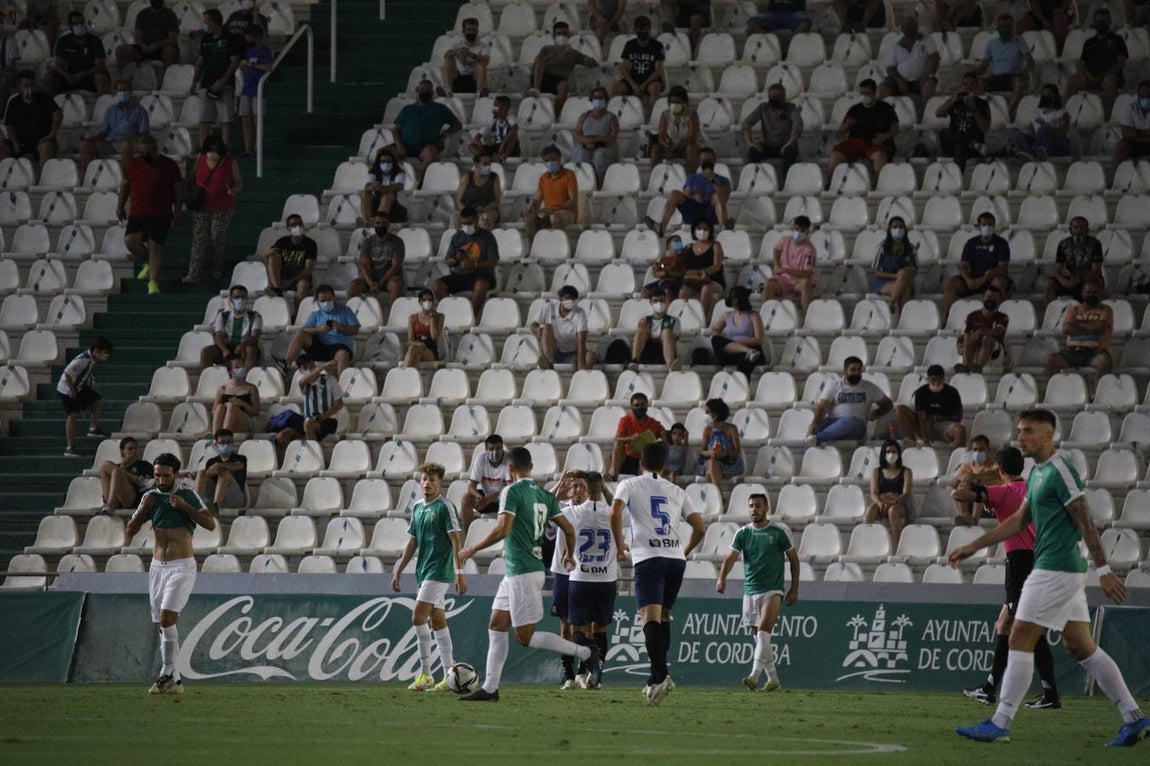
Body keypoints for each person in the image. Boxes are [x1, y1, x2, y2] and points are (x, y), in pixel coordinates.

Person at [952, 409, 1149, 747]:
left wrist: (1103, 571)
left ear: (1048, 436)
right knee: (1080, 646)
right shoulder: (1039, 474)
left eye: (1028, 431)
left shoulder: (1060, 470)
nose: (1021, 437)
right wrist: (973, 545)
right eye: (1019, 430)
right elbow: (1017, 521)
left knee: (1018, 637)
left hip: (1054, 568)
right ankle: (1133, 717)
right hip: (1060, 568)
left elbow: (1085, 519)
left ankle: (1001, 721)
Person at [457, 447, 602, 702]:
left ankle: (585, 652)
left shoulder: (511, 491)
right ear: (531, 467)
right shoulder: (544, 496)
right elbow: (568, 529)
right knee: (496, 623)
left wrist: (472, 548)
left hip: (522, 571)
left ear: (509, 469)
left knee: (526, 637)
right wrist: (569, 555)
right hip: (519, 571)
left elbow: (503, 530)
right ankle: (491, 688)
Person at [954, 446, 1062, 710]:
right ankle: (990, 688)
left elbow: (959, 492)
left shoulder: (1004, 491)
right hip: (1040, 559)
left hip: (1020, 563)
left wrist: (982, 483)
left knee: (1029, 629)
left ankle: (1050, 694)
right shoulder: (1032, 490)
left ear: (1000, 469)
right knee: (1004, 623)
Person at [610, 442, 706, 705]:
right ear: (664, 466)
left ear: (641, 463)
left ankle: (661, 675)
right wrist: (682, 551)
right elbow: (700, 528)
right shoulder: (676, 490)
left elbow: (614, 512)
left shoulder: (629, 485)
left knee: (649, 618)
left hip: (649, 559)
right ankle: (654, 677)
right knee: (663, 616)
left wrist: (620, 545)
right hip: (675, 559)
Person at [126, 453, 215, 696]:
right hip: (157, 568)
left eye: (166, 475)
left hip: (181, 566)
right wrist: (144, 509)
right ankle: (175, 681)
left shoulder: (187, 495)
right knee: (161, 625)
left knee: (166, 619)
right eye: (157, 475)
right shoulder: (150, 497)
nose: (161, 480)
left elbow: (210, 523)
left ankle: (165, 672)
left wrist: (186, 508)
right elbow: (130, 531)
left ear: (175, 474)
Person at [392, 462, 467, 692]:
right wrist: (398, 569)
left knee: (417, 617)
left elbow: (456, 539)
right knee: (438, 621)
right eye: (424, 479)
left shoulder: (445, 507)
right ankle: (449, 675)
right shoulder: (417, 508)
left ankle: (426, 674)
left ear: (440, 483)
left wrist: (459, 573)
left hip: (439, 571)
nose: (427, 483)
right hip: (423, 571)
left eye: (432, 480)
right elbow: (412, 541)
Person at [716, 492, 798, 692]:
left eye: (758, 506)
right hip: (750, 591)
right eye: (751, 506)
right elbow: (730, 558)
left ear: (766, 508)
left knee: (763, 633)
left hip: (773, 590)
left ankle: (753, 676)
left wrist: (794, 588)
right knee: (760, 638)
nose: (754, 509)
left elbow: (794, 560)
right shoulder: (743, 533)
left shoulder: (779, 532)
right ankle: (774, 680)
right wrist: (721, 577)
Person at [557, 470, 617, 688]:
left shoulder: (573, 512)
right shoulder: (612, 512)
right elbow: (624, 509)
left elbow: (552, 507)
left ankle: (591, 662)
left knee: (577, 630)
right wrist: (605, 489)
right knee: (600, 629)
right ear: (600, 489)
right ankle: (597, 669)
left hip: (580, 578)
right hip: (606, 579)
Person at [118, 133, 182, 296]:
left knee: (155, 247)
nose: (144, 156)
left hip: (160, 213)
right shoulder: (134, 164)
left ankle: (153, 283)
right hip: (137, 211)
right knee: (130, 241)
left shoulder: (169, 165)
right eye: (141, 152)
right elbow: (125, 186)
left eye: (147, 152)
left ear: (154, 150)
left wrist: (178, 210)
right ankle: (148, 262)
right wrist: (120, 206)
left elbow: (177, 189)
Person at [185, 135, 242, 285]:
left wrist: (233, 191)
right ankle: (193, 272)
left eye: (215, 151)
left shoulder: (230, 162)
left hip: (222, 206)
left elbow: (238, 182)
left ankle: (216, 267)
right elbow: (192, 178)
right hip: (202, 205)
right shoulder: (200, 159)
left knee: (217, 236)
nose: (212, 154)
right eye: (209, 150)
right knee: (199, 238)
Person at [807, 356, 893, 446]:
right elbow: (822, 407)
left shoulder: (869, 387)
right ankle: (810, 447)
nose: (856, 372)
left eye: (859, 370)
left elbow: (888, 404)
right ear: (845, 371)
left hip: (856, 425)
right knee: (812, 430)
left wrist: (877, 413)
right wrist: (815, 423)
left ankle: (818, 438)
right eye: (853, 369)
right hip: (833, 422)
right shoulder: (834, 385)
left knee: (850, 420)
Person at [432, 206, 500, 315]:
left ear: (477, 221)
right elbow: (448, 261)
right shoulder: (457, 237)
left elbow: (493, 261)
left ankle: (469, 315)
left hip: (481, 275)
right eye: (464, 224)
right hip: (459, 275)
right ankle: (451, 313)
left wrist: (475, 264)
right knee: (437, 285)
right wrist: (456, 259)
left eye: (469, 223)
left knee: (481, 286)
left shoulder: (487, 237)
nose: (466, 226)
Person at [1045, 282, 1112, 388]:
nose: (1091, 295)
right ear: (1082, 294)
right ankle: (1059, 391)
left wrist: (1077, 326)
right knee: (1050, 360)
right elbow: (1067, 328)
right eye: (1088, 292)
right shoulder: (1074, 309)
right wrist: (1091, 329)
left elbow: (1101, 326)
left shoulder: (1106, 309)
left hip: (1094, 352)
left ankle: (1097, 395)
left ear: (1100, 294)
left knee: (1105, 361)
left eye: (1095, 292)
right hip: (1071, 352)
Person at [943, 211, 1011, 315]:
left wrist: (984, 278)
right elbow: (964, 265)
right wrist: (968, 280)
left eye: (990, 224)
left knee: (999, 282)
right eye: (984, 224)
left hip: (991, 279)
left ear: (994, 226)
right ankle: (948, 317)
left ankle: (992, 316)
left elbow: (1003, 268)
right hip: (973, 280)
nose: (987, 227)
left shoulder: (1001, 243)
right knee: (951, 283)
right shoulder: (971, 243)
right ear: (978, 226)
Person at [829, 78, 899, 178]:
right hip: (856, 142)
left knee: (879, 156)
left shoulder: (885, 108)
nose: (865, 96)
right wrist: (847, 125)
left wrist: (884, 137)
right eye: (862, 93)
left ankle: (881, 183)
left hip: (876, 142)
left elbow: (895, 128)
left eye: (867, 93)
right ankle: (832, 182)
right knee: (835, 154)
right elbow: (841, 131)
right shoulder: (855, 109)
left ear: (874, 92)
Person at [191, 9, 242, 146]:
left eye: (207, 22)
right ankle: (204, 148)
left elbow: (234, 61)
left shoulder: (229, 38)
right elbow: (200, 62)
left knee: (226, 119)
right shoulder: (206, 39)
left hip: (224, 84)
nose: (205, 25)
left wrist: (224, 80)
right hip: (206, 82)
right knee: (204, 119)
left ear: (214, 22)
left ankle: (224, 149)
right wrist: (194, 81)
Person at [284, 285, 360, 376]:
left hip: (339, 347)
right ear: (317, 301)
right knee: (300, 334)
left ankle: (343, 384)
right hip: (320, 347)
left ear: (334, 298)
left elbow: (356, 330)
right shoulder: (315, 315)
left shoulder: (345, 311)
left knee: (343, 354)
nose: (326, 303)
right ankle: (285, 364)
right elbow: (304, 330)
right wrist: (319, 329)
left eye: (329, 300)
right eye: (323, 301)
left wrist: (340, 327)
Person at [273, 354, 344, 448]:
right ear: (300, 370)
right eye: (305, 368)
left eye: (310, 366)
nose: (309, 370)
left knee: (308, 424)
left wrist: (325, 415)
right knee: (282, 436)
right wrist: (323, 366)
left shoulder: (330, 380)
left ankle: (315, 457)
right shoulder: (303, 382)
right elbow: (304, 381)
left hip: (326, 420)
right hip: (308, 418)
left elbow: (339, 404)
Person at [80, 79, 148, 176]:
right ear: (116, 93)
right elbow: (103, 132)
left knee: (127, 145)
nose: (123, 93)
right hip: (111, 143)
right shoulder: (110, 110)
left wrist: (132, 140)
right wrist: (91, 139)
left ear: (130, 92)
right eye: (120, 91)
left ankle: (126, 178)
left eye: (125, 90)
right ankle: (85, 177)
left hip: (131, 144)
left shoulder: (140, 111)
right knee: (86, 145)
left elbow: (144, 133)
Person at [58, 337, 112, 457]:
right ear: (96, 350)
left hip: (80, 387)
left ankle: (94, 428)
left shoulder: (92, 359)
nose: (106, 356)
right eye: (104, 353)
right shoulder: (83, 360)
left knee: (97, 401)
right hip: (67, 389)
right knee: (73, 415)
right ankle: (70, 448)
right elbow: (67, 374)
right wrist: (72, 391)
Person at [531, 21, 598, 117]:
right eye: (559, 33)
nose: (562, 36)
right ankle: (536, 90)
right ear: (554, 36)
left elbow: (592, 64)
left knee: (565, 85)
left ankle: (555, 116)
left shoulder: (573, 53)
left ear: (568, 36)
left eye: (565, 33)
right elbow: (538, 64)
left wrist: (590, 61)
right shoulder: (547, 49)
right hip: (542, 78)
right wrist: (550, 56)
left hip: (559, 81)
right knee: (540, 58)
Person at [1065, 7, 1126, 112]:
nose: (1100, 24)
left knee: (1109, 81)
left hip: (1109, 75)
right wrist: (1090, 77)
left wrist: (1103, 74)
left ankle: (1108, 116)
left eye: (1103, 21)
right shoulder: (1089, 42)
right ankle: (1070, 113)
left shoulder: (1117, 39)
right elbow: (1082, 64)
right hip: (1090, 77)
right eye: (1098, 21)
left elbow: (1121, 63)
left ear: (1109, 22)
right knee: (1072, 80)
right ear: (1093, 23)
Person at [394, 79, 462, 168]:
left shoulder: (440, 109)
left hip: (426, 147)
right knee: (382, 153)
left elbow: (457, 125)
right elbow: (397, 128)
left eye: (428, 91)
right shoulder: (407, 109)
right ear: (417, 91)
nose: (425, 92)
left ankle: (422, 181)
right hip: (404, 145)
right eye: (422, 90)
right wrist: (399, 144)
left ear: (432, 92)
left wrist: (443, 135)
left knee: (430, 153)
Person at [656, 152, 728, 236]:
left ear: (714, 161)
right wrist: (694, 197)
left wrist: (712, 179)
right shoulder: (693, 178)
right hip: (693, 211)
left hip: (711, 212)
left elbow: (724, 196)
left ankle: (723, 230)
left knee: (716, 196)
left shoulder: (723, 180)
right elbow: (686, 193)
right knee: (674, 194)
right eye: (704, 161)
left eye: (709, 160)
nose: (707, 163)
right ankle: (662, 227)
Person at [895, 364, 966, 448]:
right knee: (899, 410)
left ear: (943, 379)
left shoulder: (952, 392)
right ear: (928, 379)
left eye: (939, 380)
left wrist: (939, 418)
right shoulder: (920, 392)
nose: (936, 383)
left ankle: (954, 456)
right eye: (933, 380)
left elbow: (958, 417)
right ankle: (912, 442)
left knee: (960, 431)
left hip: (945, 424)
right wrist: (926, 441)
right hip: (924, 424)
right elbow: (921, 418)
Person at [740, 82, 802, 179]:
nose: (776, 99)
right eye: (773, 96)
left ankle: (786, 182)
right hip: (768, 145)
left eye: (778, 96)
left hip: (786, 145)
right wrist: (751, 142)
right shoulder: (763, 108)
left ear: (784, 96)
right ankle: (754, 180)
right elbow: (746, 123)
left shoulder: (791, 108)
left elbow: (798, 125)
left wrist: (789, 143)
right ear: (769, 97)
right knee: (752, 152)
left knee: (790, 153)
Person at [1, 70, 62, 165]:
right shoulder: (14, 102)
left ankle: (44, 177)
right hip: (20, 143)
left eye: (32, 85)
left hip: (40, 142)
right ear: (19, 86)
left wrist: (52, 134)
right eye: (26, 86)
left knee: (47, 147)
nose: (29, 89)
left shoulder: (45, 98)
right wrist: (15, 143)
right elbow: (10, 126)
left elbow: (58, 114)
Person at [977, 14, 1032, 119]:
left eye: (1008, 27)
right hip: (996, 77)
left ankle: (1006, 113)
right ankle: (985, 112)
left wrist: (1023, 73)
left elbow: (1030, 63)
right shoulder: (991, 44)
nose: (1005, 30)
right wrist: (973, 74)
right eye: (1002, 27)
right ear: (997, 28)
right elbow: (984, 65)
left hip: (1013, 77)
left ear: (1013, 27)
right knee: (978, 82)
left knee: (1019, 83)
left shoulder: (1020, 41)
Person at [936, 71, 991, 173]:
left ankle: (958, 179)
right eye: (965, 84)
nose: (968, 86)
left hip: (973, 149)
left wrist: (974, 109)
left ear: (976, 86)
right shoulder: (955, 101)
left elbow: (985, 128)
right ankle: (971, 143)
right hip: (955, 143)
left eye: (971, 84)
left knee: (960, 148)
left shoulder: (982, 104)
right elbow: (938, 113)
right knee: (943, 132)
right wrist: (952, 101)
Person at [1043, 217, 1104, 308]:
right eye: (1075, 227)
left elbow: (1096, 270)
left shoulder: (1095, 244)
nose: (1078, 230)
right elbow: (1057, 269)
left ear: (1087, 230)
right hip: (1070, 279)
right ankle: (1050, 315)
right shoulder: (1063, 244)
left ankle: (1090, 315)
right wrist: (1063, 281)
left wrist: (1079, 279)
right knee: (1049, 283)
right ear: (1070, 230)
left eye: (1082, 227)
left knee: (1092, 285)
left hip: (1087, 279)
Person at [46, 10, 110, 96]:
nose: (79, 26)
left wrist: (80, 75)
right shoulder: (63, 41)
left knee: (101, 77)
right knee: (49, 76)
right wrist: (66, 75)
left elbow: (100, 66)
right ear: (71, 26)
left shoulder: (95, 41)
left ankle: (102, 107)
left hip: (89, 77)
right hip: (70, 77)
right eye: (76, 23)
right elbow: (59, 64)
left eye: (81, 22)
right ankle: (51, 106)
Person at [762, 215, 816, 313]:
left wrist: (785, 270)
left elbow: (808, 273)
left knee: (806, 283)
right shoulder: (785, 240)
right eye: (796, 229)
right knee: (769, 285)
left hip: (799, 281)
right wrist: (776, 265)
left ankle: (807, 317)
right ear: (792, 228)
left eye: (802, 230)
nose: (798, 232)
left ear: (807, 231)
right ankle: (767, 316)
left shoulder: (810, 250)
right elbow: (776, 250)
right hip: (785, 279)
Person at [532, 285, 594, 370]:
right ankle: (549, 363)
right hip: (554, 350)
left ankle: (582, 379)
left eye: (573, 299)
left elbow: (581, 339)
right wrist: (537, 329)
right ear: (560, 299)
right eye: (567, 298)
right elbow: (533, 326)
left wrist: (581, 367)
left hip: (572, 353)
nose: (570, 301)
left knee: (589, 356)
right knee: (547, 327)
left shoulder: (579, 313)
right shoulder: (549, 307)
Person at [201, 284, 262, 370]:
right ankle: (207, 378)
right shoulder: (223, 315)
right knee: (206, 352)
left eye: (243, 297)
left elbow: (255, 336)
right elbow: (218, 335)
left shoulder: (255, 316)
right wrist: (224, 350)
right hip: (227, 347)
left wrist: (242, 345)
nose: (240, 300)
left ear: (247, 299)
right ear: (231, 299)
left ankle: (246, 378)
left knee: (251, 350)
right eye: (236, 297)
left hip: (245, 348)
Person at [525, 145, 579, 239]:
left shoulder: (569, 174)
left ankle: (556, 248)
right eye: (546, 161)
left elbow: (573, 200)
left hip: (566, 212)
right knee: (530, 219)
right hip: (548, 211)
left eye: (553, 159)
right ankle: (533, 248)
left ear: (559, 158)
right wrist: (532, 207)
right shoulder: (543, 178)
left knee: (555, 218)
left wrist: (556, 209)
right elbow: (537, 199)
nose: (550, 162)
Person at [866, 438, 913, 548]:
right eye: (888, 452)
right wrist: (880, 503)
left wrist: (893, 502)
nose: (891, 454)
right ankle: (867, 543)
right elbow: (874, 492)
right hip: (881, 503)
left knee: (892, 511)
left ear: (898, 453)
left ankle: (899, 547)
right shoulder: (876, 471)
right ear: (883, 453)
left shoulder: (906, 471)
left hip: (899, 504)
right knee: (870, 510)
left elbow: (906, 493)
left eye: (893, 451)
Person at [880, 13, 938, 100]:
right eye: (907, 25)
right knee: (882, 89)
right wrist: (900, 81)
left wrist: (927, 75)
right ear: (902, 28)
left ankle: (923, 110)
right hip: (899, 79)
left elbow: (935, 59)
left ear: (917, 26)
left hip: (921, 79)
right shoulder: (895, 44)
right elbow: (890, 68)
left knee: (929, 85)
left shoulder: (927, 39)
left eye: (912, 25)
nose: (910, 27)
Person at [349, 211, 405, 302]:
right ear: (373, 224)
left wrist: (380, 283)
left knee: (396, 285)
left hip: (389, 279)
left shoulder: (397, 242)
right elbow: (364, 266)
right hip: (371, 279)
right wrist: (371, 284)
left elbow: (396, 266)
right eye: (377, 223)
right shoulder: (367, 242)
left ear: (388, 225)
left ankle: (392, 314)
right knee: (353, 286)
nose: (380, 226)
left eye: (383, 224)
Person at [708, 286, 764, 376]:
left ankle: (745, 387)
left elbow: (759, 339)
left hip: (753, 350)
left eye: (733, 297)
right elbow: (715, 330)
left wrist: (734, 341)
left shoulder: (753, 315)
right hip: (732, 352)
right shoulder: (727, 315)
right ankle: (747, 351)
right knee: (715, 340)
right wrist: (720, 335)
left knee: (744, 360)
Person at [1007, 82, 1070, 160]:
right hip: (1038, 144)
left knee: (1043, 129)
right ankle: (1028, 153)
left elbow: (1063, 132)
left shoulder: (1062, 113)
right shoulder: (1036, 113)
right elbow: (1031, 134)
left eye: (1049, 93)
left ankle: (1035, 152)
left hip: (1057, 145)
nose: (1047, 95)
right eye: (1045, 93)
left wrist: (1046, 125)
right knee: (1017, 135)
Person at [612, 16, 665, 107]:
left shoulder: (657, 46)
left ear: (649, 29)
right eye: (640, 29)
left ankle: (653, 116)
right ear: (635, 29)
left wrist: (644, 85)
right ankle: (615, 114)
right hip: (633, 80)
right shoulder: (630, 45)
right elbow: (624, 67)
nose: (643, 32)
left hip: (651, 81)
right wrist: (633, 84)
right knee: (616, 87)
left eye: (646, 29)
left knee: (654, 88)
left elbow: (658, 70)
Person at [461, 435, 511, 532]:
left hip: (504, 499)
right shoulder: (481, 459)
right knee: (466, 499)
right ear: (486, 449)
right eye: (491, 449)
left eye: (498, 448)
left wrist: (492, 497)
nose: (495, 452)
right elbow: (471, 486)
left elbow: (511, 489)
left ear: (502, 448)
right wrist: (479, 496)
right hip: (485, 499)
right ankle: (469, 536)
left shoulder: (509, 460)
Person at [237, 26, 273, 160]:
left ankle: (258, 149)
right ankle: (248, 148)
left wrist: (253, 66)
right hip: (246, 89)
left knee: (258, 121)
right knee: (246, 119)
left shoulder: (264, 52)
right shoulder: (246, 51)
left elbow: (269, 67)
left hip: (259, 90)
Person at [678, 218, 725, 319]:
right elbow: (681, 264)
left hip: (713, 280)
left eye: (705, 229)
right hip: (693, 280)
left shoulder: (716, 245)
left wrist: (701, 272)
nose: (702, 231)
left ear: (710, 231)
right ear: (694, 230)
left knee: (706, 288)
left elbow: (717, 266)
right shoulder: (689, 247)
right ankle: (682, 317)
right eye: (699, 228)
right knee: (683, 290)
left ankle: (702, 318)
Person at [611, 392, 665, 478]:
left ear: (647, 406)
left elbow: (666, 438)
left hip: (647, 459)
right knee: (618, 443)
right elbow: (617, 438)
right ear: (631, 407)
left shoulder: (654, 423)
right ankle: (614, 474)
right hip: (630, 458)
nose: (640, 407)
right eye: (636, 405)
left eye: (642, 404)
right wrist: (629, 438)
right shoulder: (625, 420)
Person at [264, 212, 318, 298]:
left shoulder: (310, 244)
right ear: (288, 228)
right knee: (272, 256)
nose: (297, 227)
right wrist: (268, 253)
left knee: (303, 285)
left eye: (299, 224)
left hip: (300, 276)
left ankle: (297, 309)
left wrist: (290, 281)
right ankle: (277, 289)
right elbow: (268, 254)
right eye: (293, 225)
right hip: (282, 276)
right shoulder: (282, 242)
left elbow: (308, 269)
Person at [957, 285, 1009, 373]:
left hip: (996, 351)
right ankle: (966, 366)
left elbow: (998, 331)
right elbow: (967, 337)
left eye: (995, 298)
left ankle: (978, 367)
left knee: (987, 337)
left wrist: (980, 331)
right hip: (976, 347)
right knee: (966, 338)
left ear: (999, 301)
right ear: (983, 298)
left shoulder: (1002, 317)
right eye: (988, 297)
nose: (991, 300)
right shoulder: (972, 316)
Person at [194, 428, 248, 513]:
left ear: (232, 443)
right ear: (216, 444)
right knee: (201, 473)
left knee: (224, 472)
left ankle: (216, 509)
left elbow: (239, 466)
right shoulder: (211, 461)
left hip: (235, 498)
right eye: (222, 442)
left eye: (229, 442)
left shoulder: (241, 459)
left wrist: (219, 465)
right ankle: (197, 507)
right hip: (213, 495)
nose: (226, 445)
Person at [698, 398, 744, 497]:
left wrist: (725, 453)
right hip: (711, 460)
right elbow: (702, 451)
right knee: (711, 464)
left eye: (707, 412)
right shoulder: (707, 430)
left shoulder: (731, 429)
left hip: (729, 463)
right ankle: (719, 497)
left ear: (716, 414)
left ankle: (715, 499)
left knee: (710, 471)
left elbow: (737, 451)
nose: (705, 415)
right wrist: (709, 453)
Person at [573, 86, 619, 185]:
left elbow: (613, 136)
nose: (597, 100)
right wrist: (586, 140)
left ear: (606, 99)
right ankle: (583, 183)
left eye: (600, 98)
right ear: (591, 99)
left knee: (600, 154)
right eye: (595, 98)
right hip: (586, 145)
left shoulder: (611, 117)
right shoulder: (584, 116)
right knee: (581, 153)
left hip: (604, 147)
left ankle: (600, 183)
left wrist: (596, 139)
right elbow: (577, 133)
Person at [871, 215, 917, 315]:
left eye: (901, 227)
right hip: (885, 281)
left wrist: (902, 275)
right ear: (889, 230)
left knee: (904, 272)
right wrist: (896, 276)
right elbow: (876, 271)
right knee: (905, 290)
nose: (898, 229)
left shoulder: (911, 249)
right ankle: (901, 318)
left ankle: (892, 303)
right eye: (895, 227)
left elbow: (914, 270)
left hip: (907, 279)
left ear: (904, 230)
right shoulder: (883, 248)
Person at [951, 433, 1000, 523]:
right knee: (962, 488)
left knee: (980, 490)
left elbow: (997, 474)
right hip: (970, 502)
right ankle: (965, 518)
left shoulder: (994, 463)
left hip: (991, 504)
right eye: (975, 450)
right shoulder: (968, 465)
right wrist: (962, 479)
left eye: (981, 449)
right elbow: (953, 483)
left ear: (987, 449)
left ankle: (974, 521)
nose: (978, 452)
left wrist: (975, 477)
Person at [115, 0, 179, 68]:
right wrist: (143, 46)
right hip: (145, 48)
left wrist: (156, 45)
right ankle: (124, 76)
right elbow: (138, 37)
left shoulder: (170, 15)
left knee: (170, 52)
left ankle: (168, 76)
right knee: (121, 50)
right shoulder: (142, 14)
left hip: (162, 48)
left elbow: (172, 40)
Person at [99, 437, 153, 515]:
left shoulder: (144, 465)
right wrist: (123, 464)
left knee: (117, 471)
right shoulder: (116, 467)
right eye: (130, 449)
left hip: (131, 499)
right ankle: (111, 504)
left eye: (135, 449)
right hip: (116, 499)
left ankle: (110, 506)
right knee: (104, 465)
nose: (134, 451)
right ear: (122, 451)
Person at [649, 85, 699, 169]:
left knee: (691, 149)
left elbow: (691, 138)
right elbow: (661, 136)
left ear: (684, 103)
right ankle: (656, 174)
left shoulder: (691, 114)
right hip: (671, 146)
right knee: (656, 149)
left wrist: (676, 147)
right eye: (672, 102)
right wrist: (668, 146)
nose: (675, 105)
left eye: (678, 102)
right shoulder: (665, 114)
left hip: (688, 147)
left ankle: (693, 175)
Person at [211, 354, 260, 434]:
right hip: (225, 418)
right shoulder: (223, 389)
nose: (241, 369)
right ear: (230, 371)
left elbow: (256, 412)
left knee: (231, 407)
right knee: (220, 407)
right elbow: (214, 411)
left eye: (242, 366)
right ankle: (216, 436)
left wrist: (242, 404)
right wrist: (225, 406)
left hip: (245, 421)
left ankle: (225, 437)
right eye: (237, 367)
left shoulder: (251, 388)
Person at [360, 145, 409, 223]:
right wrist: (373, 186)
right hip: (376, 203)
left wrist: (383, 188)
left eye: (388, 162)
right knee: (365, 193)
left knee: (388, 195)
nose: (386, 164)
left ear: (393, 163)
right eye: (383, 162)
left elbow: (399, 186)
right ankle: (367, 220)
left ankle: (380, 220)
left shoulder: (399, 173)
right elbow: (367, 186)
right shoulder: (373, 173)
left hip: (394, 206)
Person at [442, 17, 489, 96]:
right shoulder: (457, 44)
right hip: (459, 76)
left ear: (477, 31)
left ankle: (479, 92)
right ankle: (448, 90)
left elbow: (486, 60)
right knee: (449, 59)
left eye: (474, 30)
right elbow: (446, 55)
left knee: (481, 63)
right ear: (463, 31)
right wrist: (457, 52)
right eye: (469, 30)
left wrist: (471, 55)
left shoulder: (483, 46)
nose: (471, 32)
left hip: (475, 77)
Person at [455, 152, 502, 230]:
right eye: (485, 164)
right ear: (477, 165)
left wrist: (482, 210)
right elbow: (459, 200)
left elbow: (497, 201)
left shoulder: (494, 177)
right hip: (468, 210)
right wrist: (467, 212)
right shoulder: (467, 177)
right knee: (454, 217)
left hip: (488, 210)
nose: (488, 166)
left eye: (489, 164)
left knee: (485, 219)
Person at [632, 295, 680, 369]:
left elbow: (674, 337)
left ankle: (671, 366)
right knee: (641, 329)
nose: (659, 303)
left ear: (666, 301)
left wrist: (658, 335)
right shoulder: (645, 320)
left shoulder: (674, 320)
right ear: (651, 302)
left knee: (667, 332)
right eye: (655, 301)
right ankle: (634, 362)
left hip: (665, 352)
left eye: (661, 300)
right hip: (647, 352)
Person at [467, 94, 519, 163]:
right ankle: (486, 159)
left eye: (497, 106)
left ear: (505, 108)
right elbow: (477, 136)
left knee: (513, 138)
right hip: (496, 147)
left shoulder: (510, 118)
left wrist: (503, 142)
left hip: (508, 148)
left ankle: (502, 159)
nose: (494, 108)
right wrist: (481, 148)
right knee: (471, 146)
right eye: (494, 106)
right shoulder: (493, 121)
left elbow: (514, 129)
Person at [404, 289, 443, 368]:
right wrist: (417, 344)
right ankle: (413, 378)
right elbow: (410, 340)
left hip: (430, 350)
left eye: (430, 300)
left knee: (413, 350)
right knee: (417, 355)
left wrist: (432, 319)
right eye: (424, 300)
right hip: (417, 345)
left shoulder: (439, 317)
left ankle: (403, 376)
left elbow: (435, 337)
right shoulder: (413, 317)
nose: (427, 302)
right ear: (420, 302)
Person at [642, 234, 686, 304]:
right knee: (645, 290)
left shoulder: (683, 258)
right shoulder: (664, 260)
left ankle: (668, 311)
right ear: (669, 246)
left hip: (675, 282)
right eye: (676, 241)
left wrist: (668, 273)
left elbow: (683, 273)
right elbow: (661, 268)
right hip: (662, 282)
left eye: (680, 241)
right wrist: (658, 267)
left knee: (666, 288)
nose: (679, 243)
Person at [1116, 80, 1150, 162]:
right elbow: (1125, 133)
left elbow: (1131, 132)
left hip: (1140, 141)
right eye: (1143, 97)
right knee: (1121, 146)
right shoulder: (1131, 108)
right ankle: (1119, 173)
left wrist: (1136, 133)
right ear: (1138, 96)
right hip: (1134, 143)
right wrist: (1144, 134)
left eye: (1149, 96)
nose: (1146, 100)